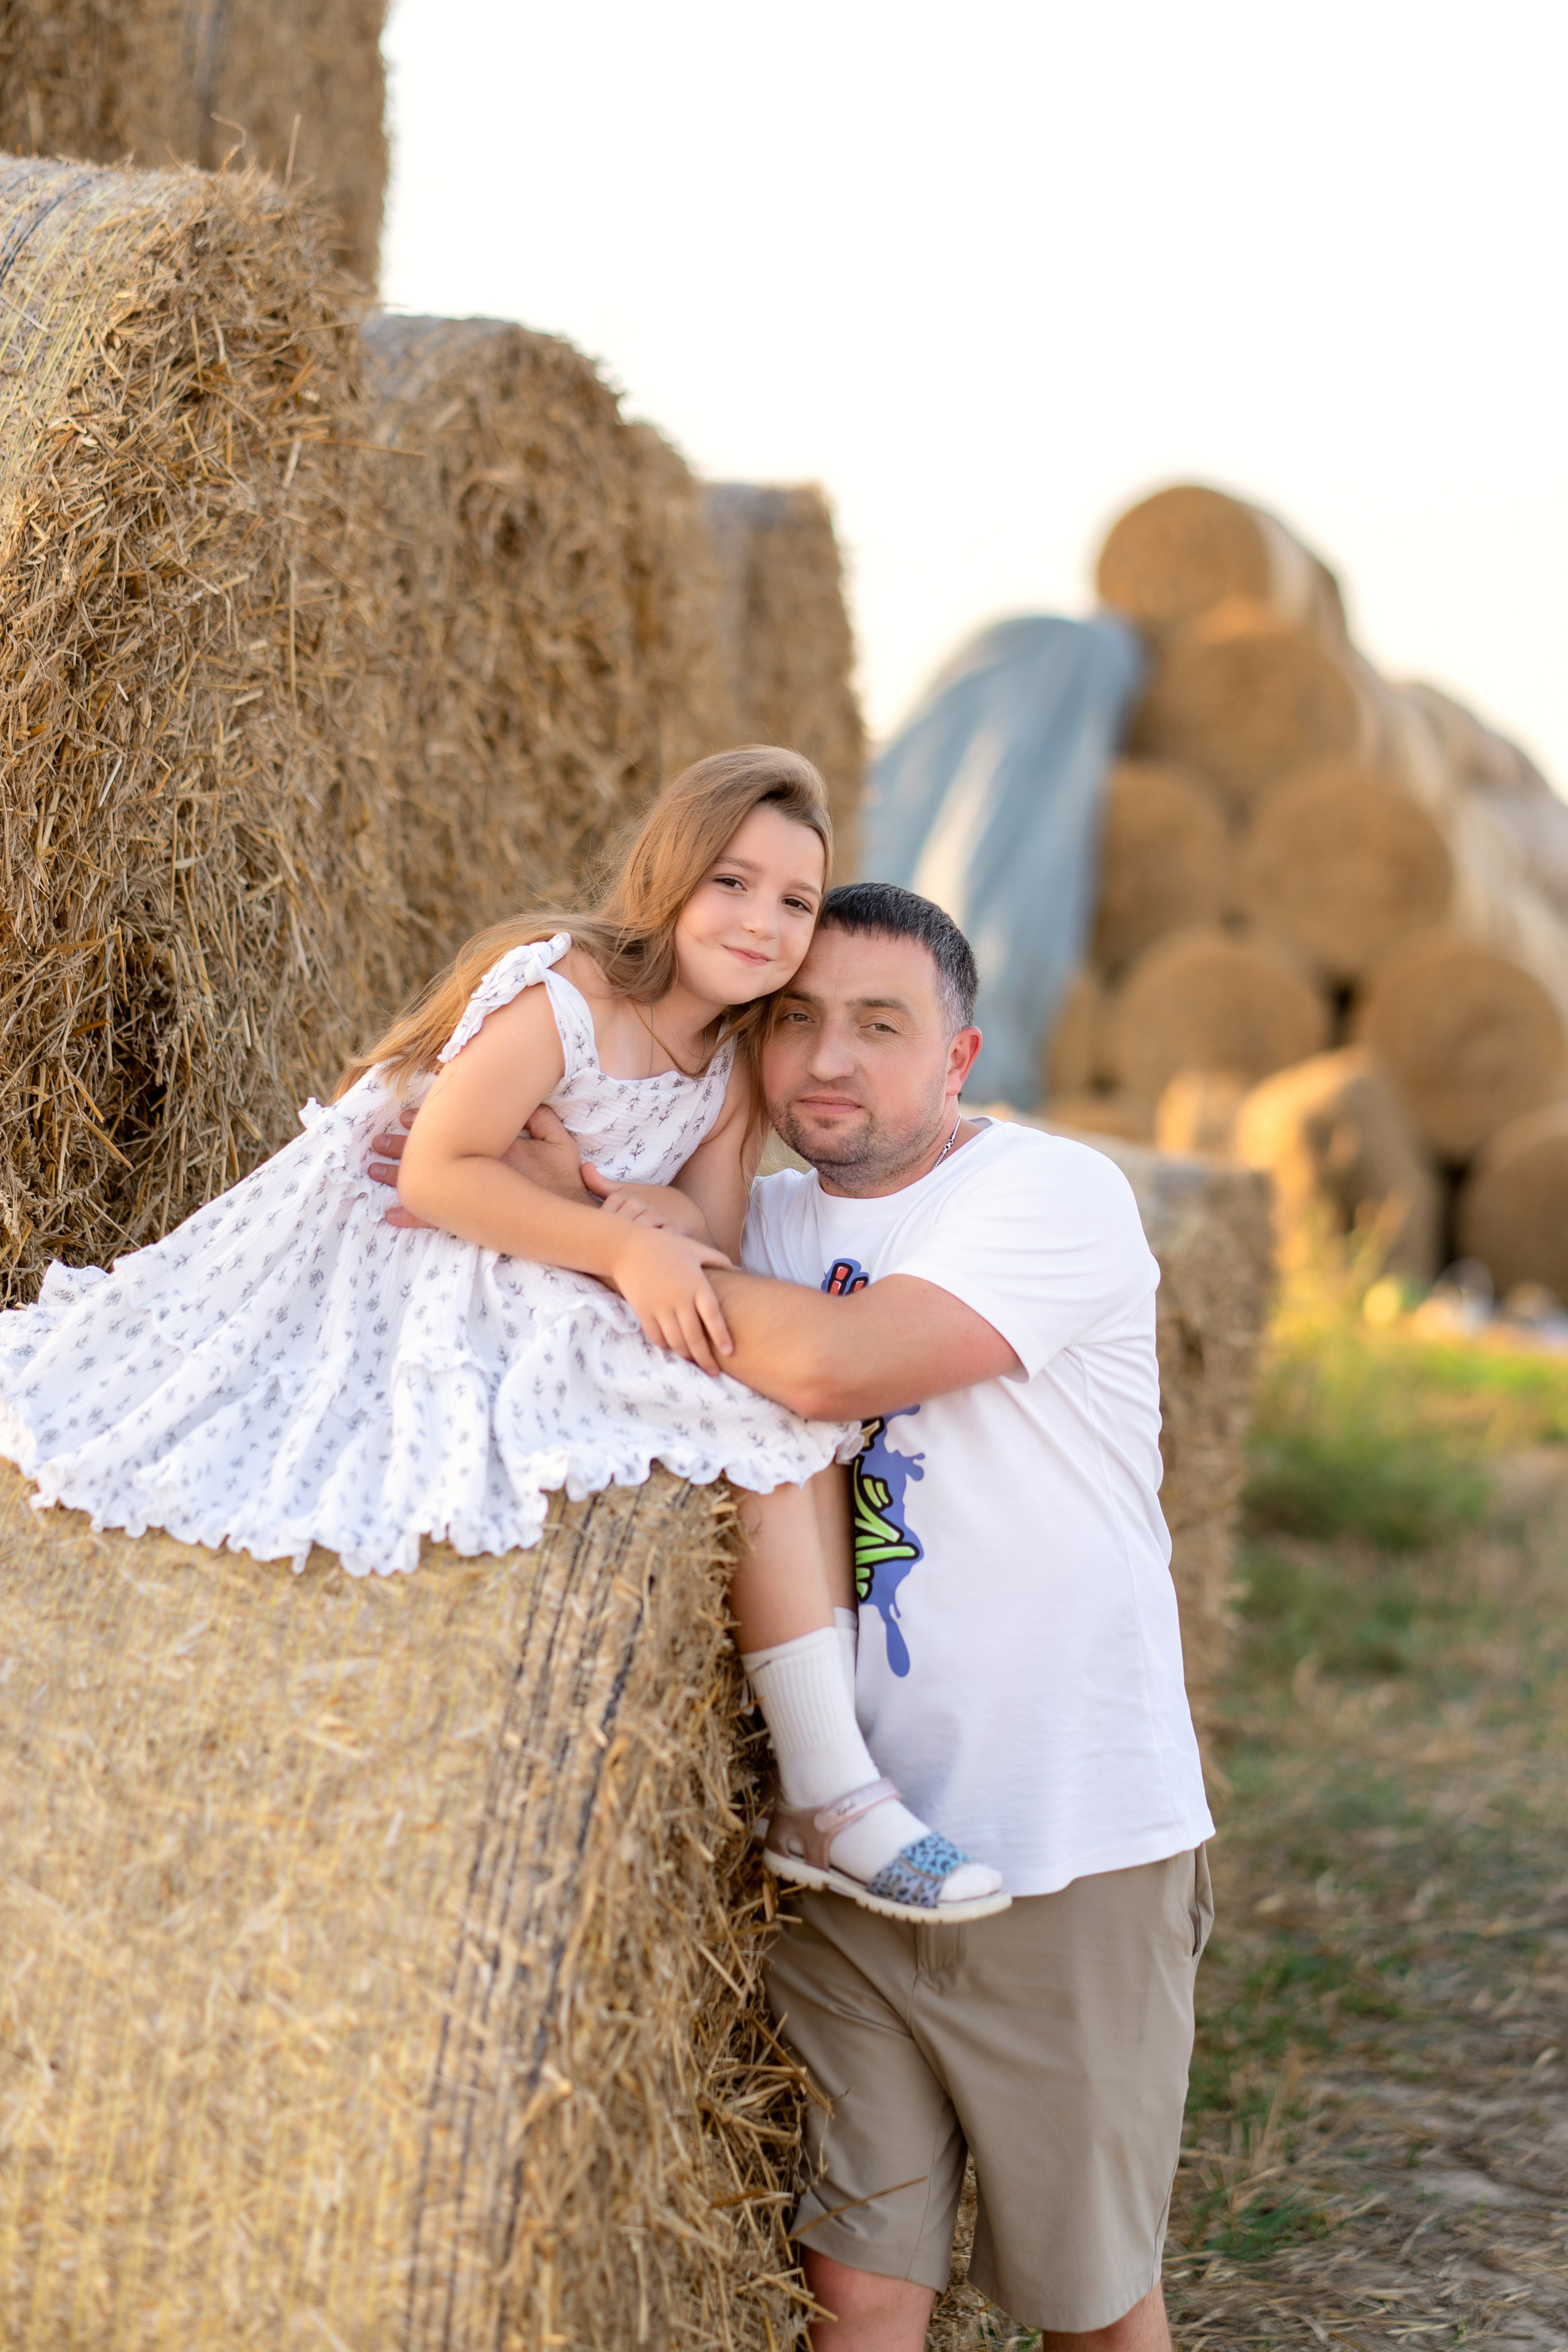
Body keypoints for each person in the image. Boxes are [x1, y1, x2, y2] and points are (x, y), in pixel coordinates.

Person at [389, 880, 1215, 2351]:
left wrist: (620, 1247)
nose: (828, 1058)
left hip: (1059, 1847)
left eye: (878, 1027)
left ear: (956, 1059)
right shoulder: (747, 1216)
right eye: (798, 1022)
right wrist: (539, 1190)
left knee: (1089, 2305)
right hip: (842, 1855)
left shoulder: (1048, 1195)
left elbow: (829, 1369)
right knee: (858, 2289)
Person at [0, 749, 1005, 1925]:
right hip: (407, 1239)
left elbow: (713, 1229)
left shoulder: (734, 1063)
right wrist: (625, 1240)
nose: (763, 920)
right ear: (671, 874)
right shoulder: (567, 990)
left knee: (767, 1416)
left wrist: (615, 1205)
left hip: (548, 1236)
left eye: (795, 900)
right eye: (733, 882)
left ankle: (831, 1789)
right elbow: (434, 1170)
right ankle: (834, 1793)